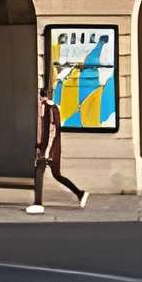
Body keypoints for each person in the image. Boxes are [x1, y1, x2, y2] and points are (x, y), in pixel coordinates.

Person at [28, 83, 85, 213]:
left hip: (50, 148)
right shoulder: (50, 108)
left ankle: (38, 204)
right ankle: (80, 193)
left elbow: (52, 132)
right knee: (57, 175)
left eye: (40, 96)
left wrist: (46, 151)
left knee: (39, 171)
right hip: (50, 147)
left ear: (42, 97)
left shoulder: (50, 109)